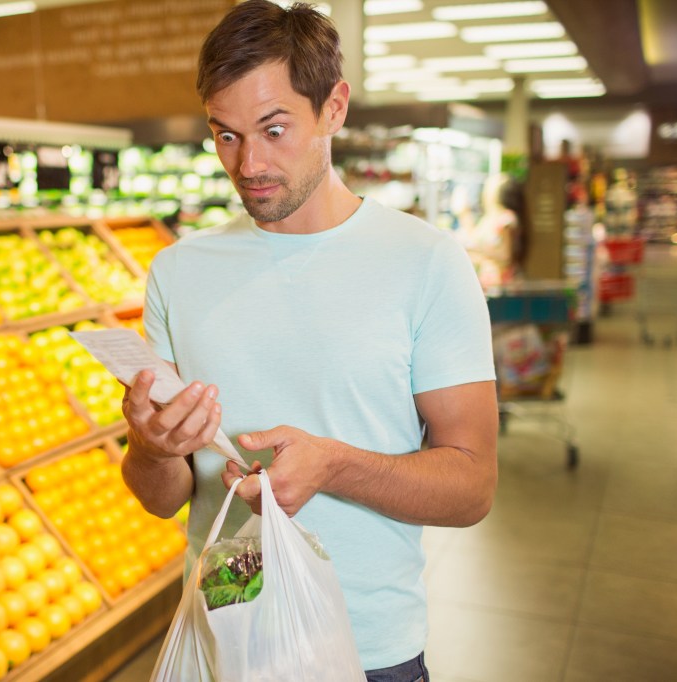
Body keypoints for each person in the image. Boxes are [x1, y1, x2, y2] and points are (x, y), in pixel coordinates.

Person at [120, 2, 499, 680]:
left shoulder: (425, 262)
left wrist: (335, 465)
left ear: (335, 107)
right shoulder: (178, 272)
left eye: (273, 129)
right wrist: (151, 446)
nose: (249, 163)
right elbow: (161, 496)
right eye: (225, 135)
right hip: (223, 639)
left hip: (368, 653)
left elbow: (471, 486)